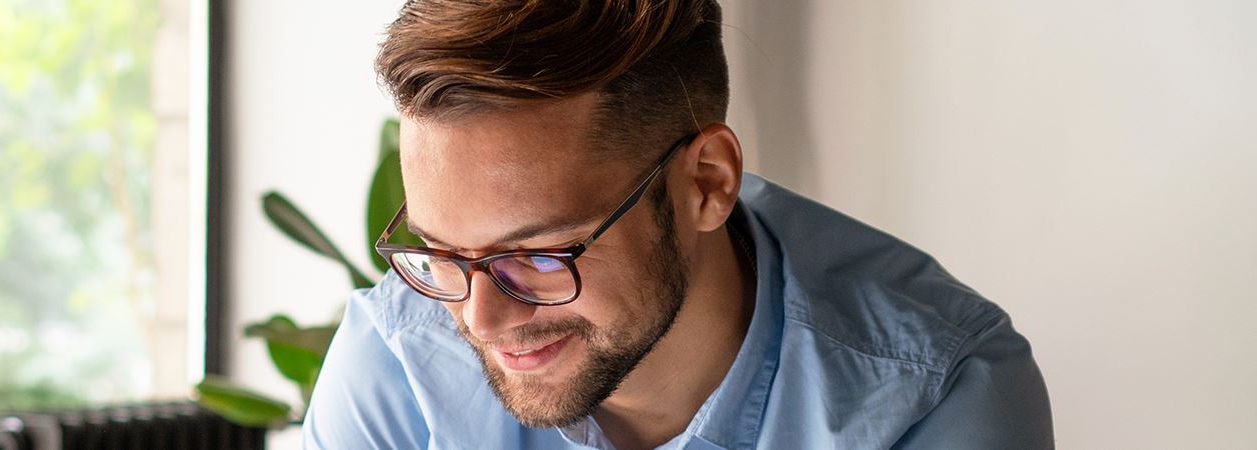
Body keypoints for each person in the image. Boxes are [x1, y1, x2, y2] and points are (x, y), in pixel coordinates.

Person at [301, 1, 1053, 448]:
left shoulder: (934, 395)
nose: (480, 319)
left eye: (538, 253)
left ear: (707, 184)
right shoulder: (396, 366)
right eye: (439, 251)